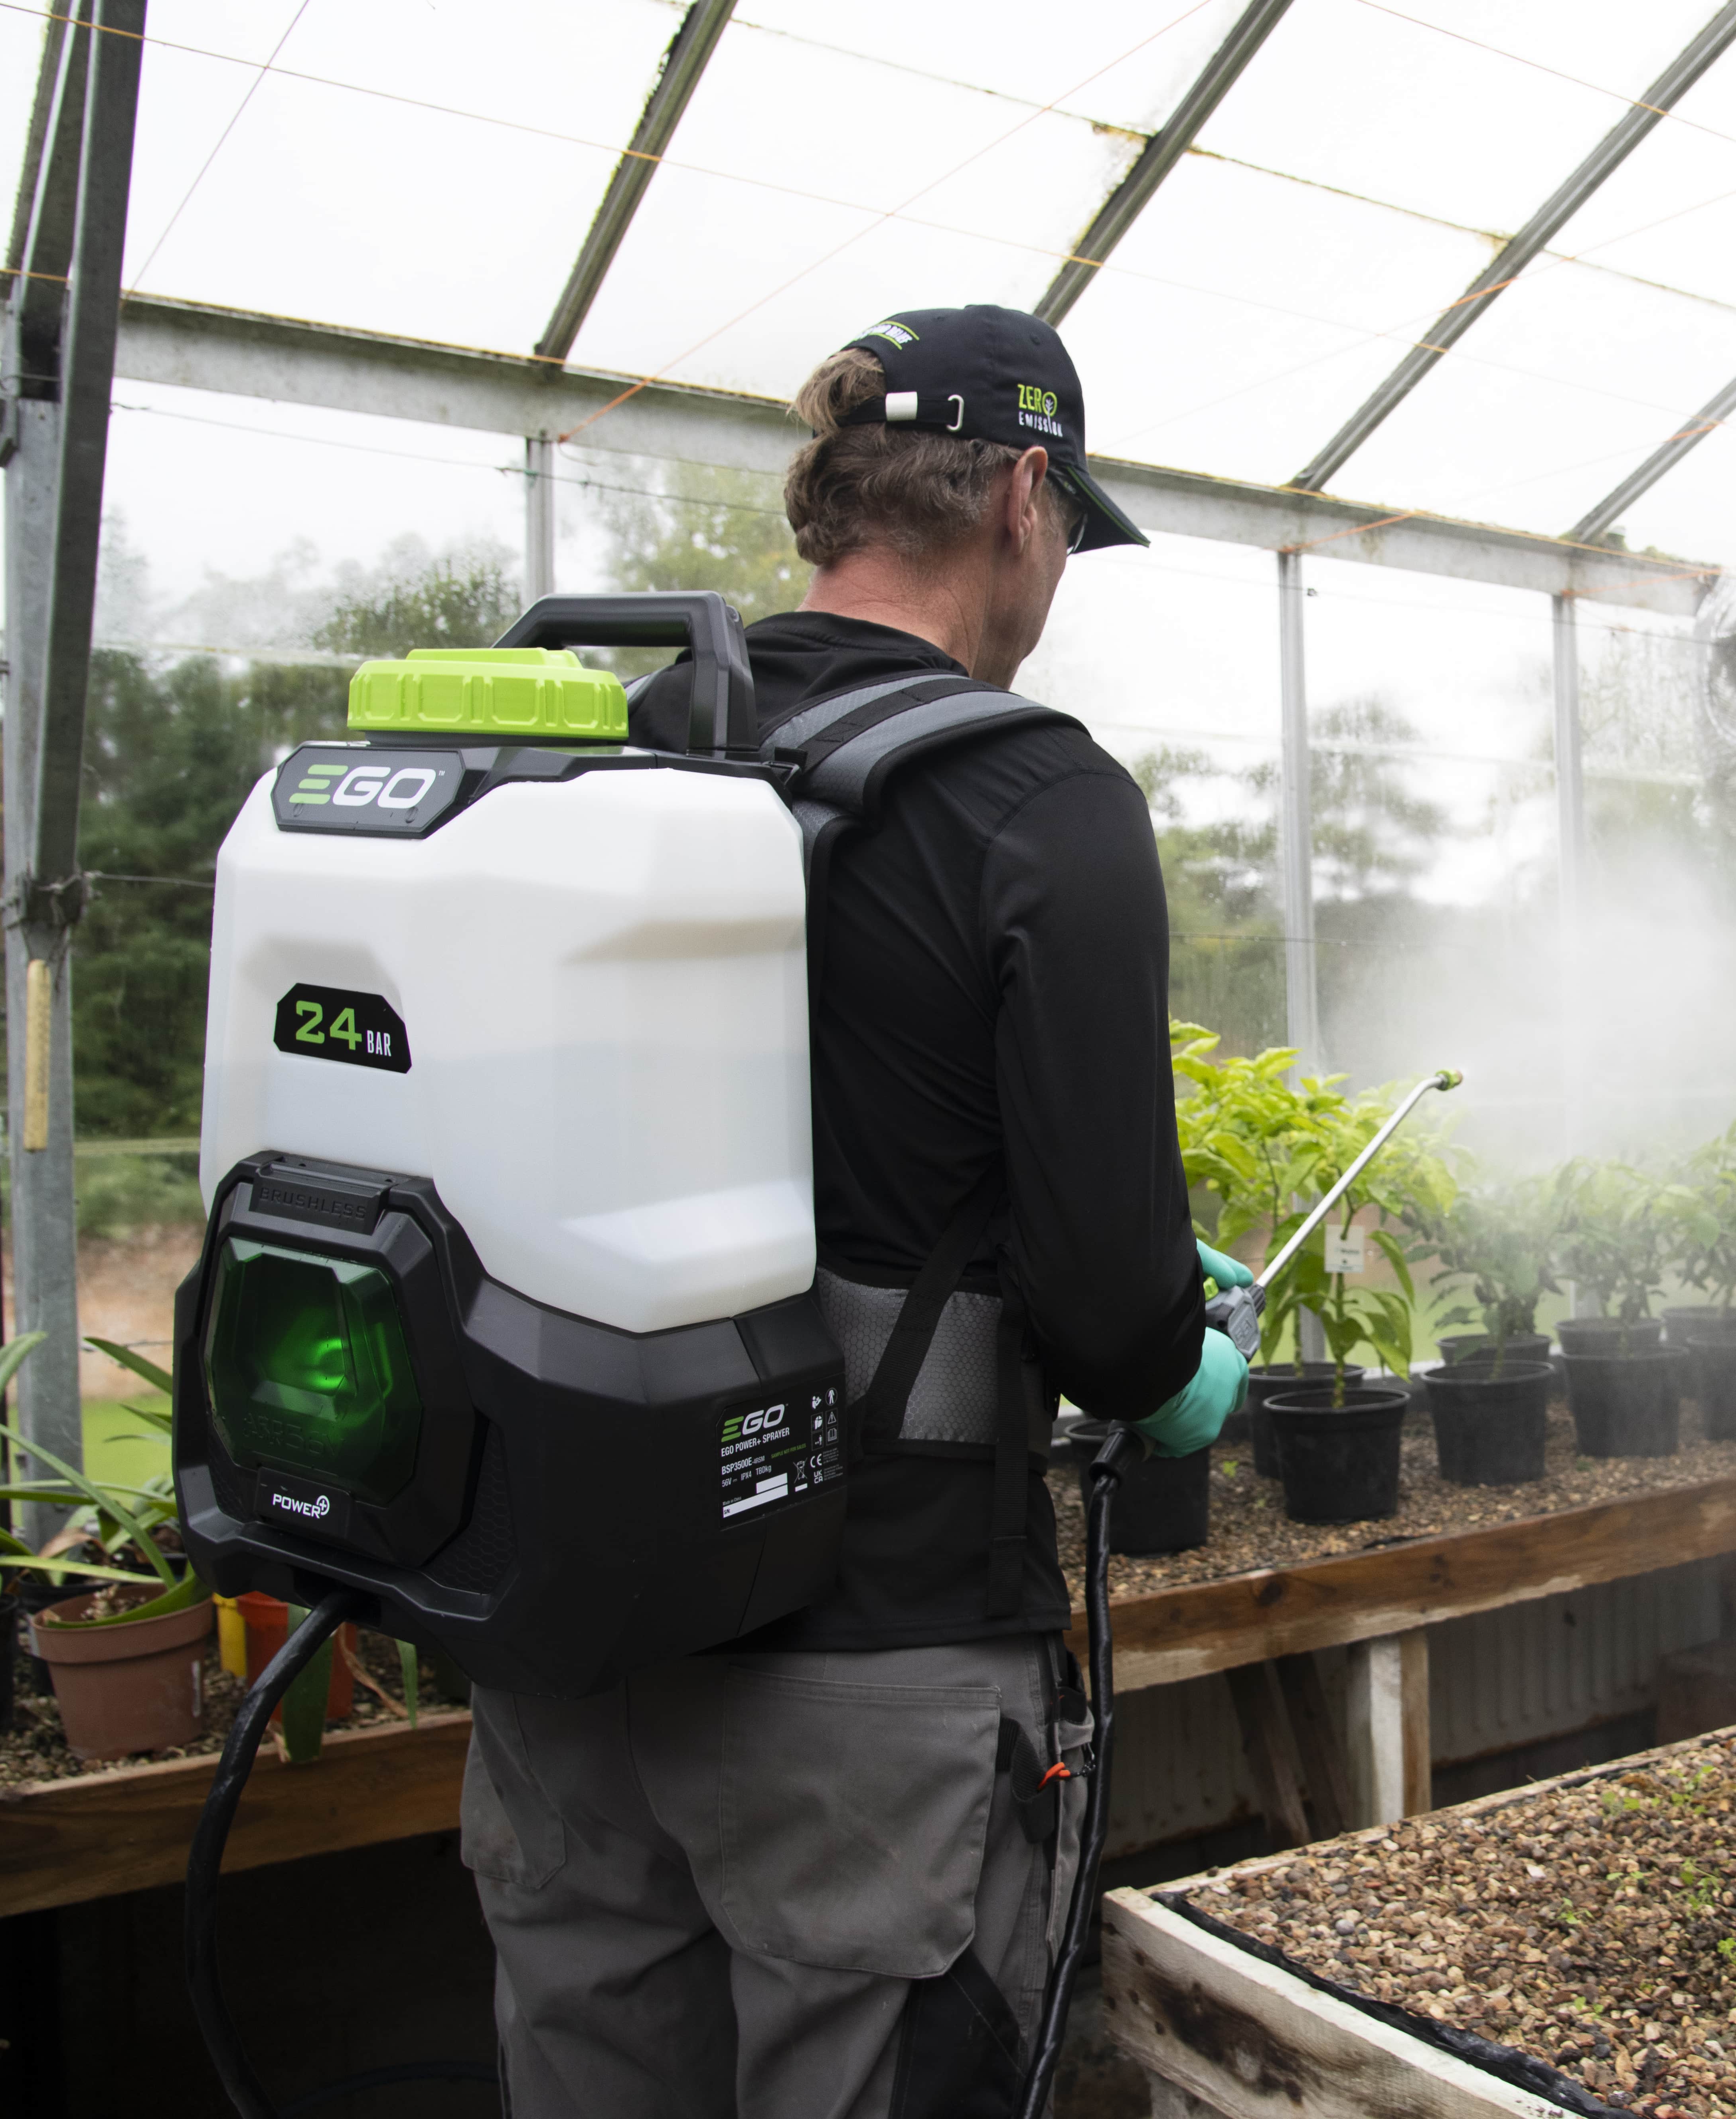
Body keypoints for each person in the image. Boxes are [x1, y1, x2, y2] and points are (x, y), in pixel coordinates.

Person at [457, 305, 1246, 2119]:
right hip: (870, 1663)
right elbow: (1119, 1315)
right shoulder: (1036, 797)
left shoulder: (620, 742)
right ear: (1024, 498)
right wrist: (1177, 1348)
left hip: (568, 1625)